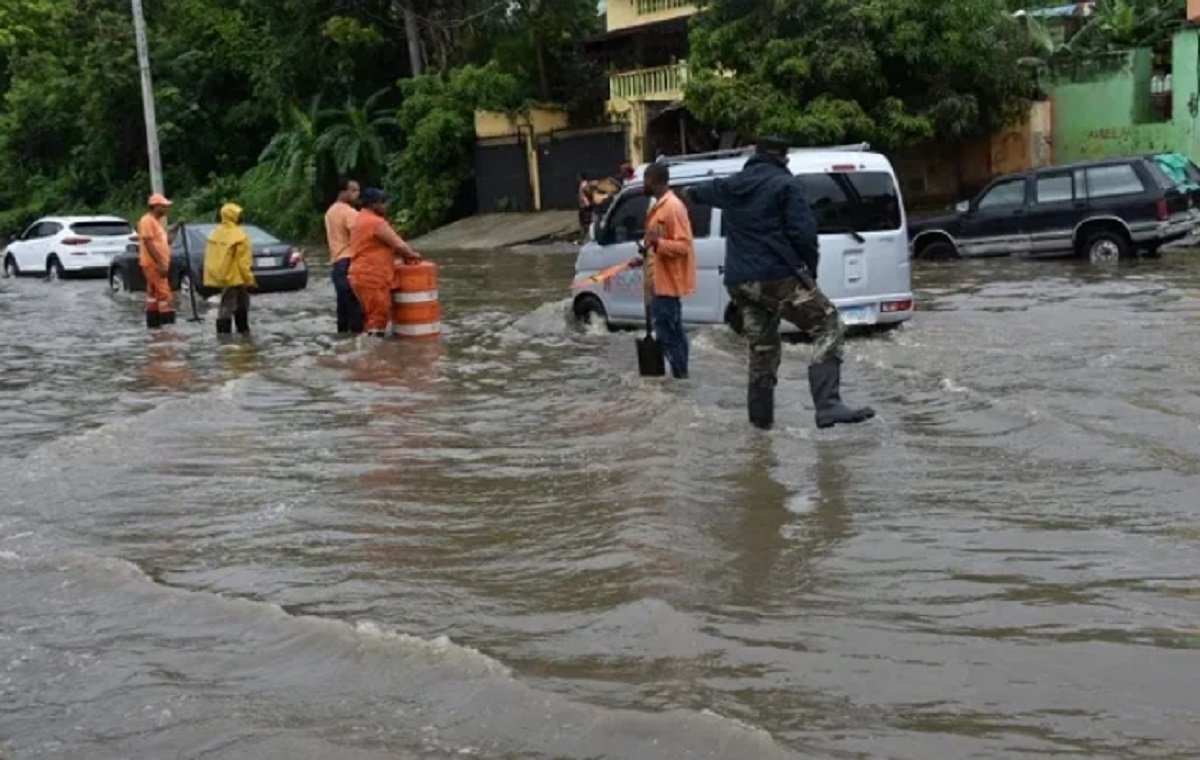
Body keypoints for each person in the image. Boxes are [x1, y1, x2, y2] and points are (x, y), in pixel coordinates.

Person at [684, 137, 875, 431]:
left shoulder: (732, 185)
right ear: (783, 159)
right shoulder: (786, 185)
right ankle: (827, 405)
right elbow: (804, 233)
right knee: (829, 323)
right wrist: (809, 274)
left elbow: (697, 193)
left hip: (739, 283)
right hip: (775, 275)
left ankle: (760, 425)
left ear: (755, 156)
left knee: (762, 347)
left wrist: (692, 192)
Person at [629, 162, 695, 379]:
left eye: (646, 179)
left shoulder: (673, 207)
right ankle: (680, 378)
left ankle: (680, 378)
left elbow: (684, 246)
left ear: (655, 180)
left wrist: (658, 245)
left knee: (669, 335)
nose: (644, 183)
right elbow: (656, 245)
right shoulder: (658, 206)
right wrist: (646, 254)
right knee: (672, 333)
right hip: (657, 281)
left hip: (668, 284)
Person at [348, 187, 421, 338]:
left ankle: (369, 350)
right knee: (378, 316)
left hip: (359, 274)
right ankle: (376, 354)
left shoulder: (360, 219)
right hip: (372, 275)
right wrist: (412, 255)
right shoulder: (375, 222)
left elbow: (374, 246)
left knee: (372, 314)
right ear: (374, 204)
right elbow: (399, 245)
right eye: (383, 203)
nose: (386, 206)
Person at [202, 202, 255, 336]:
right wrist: (250, 279)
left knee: (233, 305)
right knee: (236, 306)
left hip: (223, 276)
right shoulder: (240, 235)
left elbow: (211, 257)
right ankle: (236, 334)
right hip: (237, 277)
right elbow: (244, 262)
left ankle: (229, 335)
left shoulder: (215, 234)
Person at [325, 178, 363, 334]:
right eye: (353, 190)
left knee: (343, 305)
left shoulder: (330, 211)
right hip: (349, 261)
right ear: (343, 192)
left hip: (337, 263)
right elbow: (360, 235)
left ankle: (344, 341)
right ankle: (358, 340)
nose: (357, 194)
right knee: (355, 304)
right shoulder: (349, 212)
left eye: (358, 191)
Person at [137, 193, 178, 329]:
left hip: (155, 264)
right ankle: (168, 329)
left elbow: (167, 241)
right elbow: (148, 243)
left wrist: (177, 226)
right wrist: (160, 263)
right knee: (164, 295)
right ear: (155, 207)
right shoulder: (147, 221)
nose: (167, 209)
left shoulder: (156, 223)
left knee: (153, 294)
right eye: (164, 206)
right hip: (153, 265)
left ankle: (154, 329)